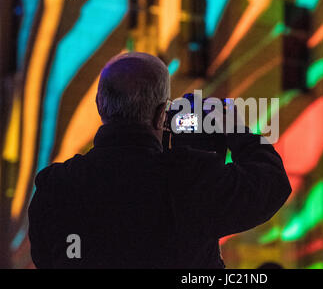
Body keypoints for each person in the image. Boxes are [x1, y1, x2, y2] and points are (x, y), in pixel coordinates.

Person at [28, 52, 291, 268]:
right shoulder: (191, 180)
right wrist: (232, 126)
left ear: (100, 104)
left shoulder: (56, 186)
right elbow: (272, 184)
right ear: (160, 115)